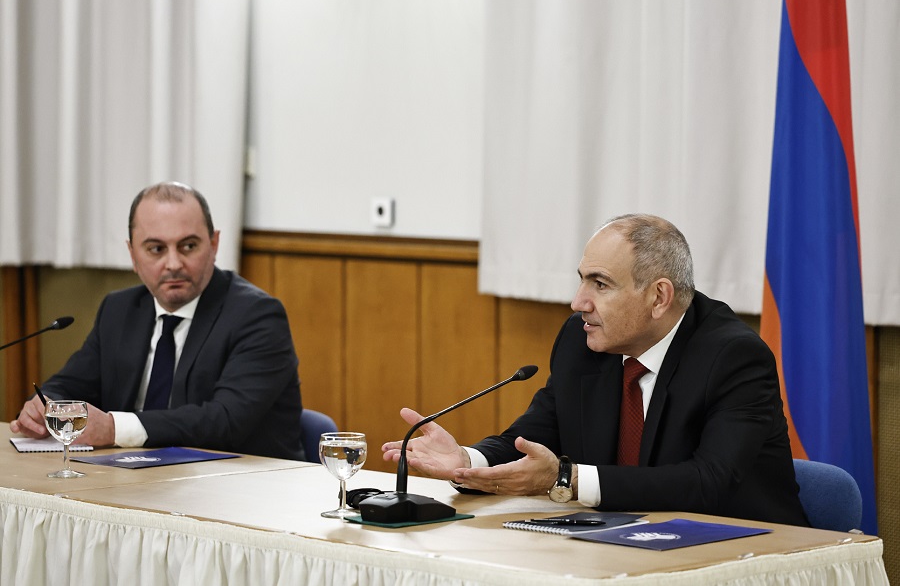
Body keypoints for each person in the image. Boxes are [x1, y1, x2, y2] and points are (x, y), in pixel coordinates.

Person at [383, 213, 809, 526]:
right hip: (623, 546)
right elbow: (535, 435)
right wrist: (468, 460)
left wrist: (566, 480)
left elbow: (707, 482)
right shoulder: (582, 341)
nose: (578, 302)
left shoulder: (733, 356)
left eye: (600, 284)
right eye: (582, 279)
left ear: (659, 297)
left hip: (748, 555)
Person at [11, 182, 305, 461]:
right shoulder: (120, 309)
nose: (173, 264)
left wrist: (114, 428)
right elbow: (70, 384)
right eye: (156, 249)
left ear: (214, 244)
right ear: (133, 255)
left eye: (188, 246)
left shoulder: (257, 316)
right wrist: (47, 406)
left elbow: (225, 420)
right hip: (133, 479)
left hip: (241, 484)